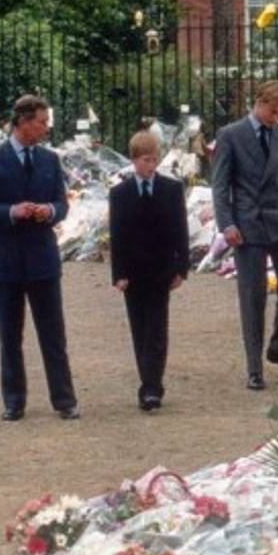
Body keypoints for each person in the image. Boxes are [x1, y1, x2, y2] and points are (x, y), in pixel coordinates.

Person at [0, 95, 78, 421]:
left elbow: (63, 203)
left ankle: (64, 400)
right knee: (10, 336)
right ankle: (14, 401)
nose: (45, 128)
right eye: (41, 122)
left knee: (53, 334)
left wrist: (51, 211)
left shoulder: (50, 160)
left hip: (43, 259)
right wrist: (11, 212)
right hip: (5, 261)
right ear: (23, 122)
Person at [211, 80, 278, 390]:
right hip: (248, 227)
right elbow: (220, 185)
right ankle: (254, 368)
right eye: (273, 112)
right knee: (252, 298)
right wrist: (226, 224)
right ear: (260, 102)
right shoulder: (230, 135)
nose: (276, 118)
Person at [109, 130, 190, 411]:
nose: (151, 165)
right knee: (139, 328)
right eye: (146, 160)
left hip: (161, 269)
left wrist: (182, 267)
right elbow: (116, 235)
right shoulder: (120, 193)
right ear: (134, 160)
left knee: (157, 328)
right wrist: (118, 273)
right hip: (132, 271)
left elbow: (181, 228)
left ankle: (152, 386)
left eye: (155, 159)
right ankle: (147, 378)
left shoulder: (171, 189)